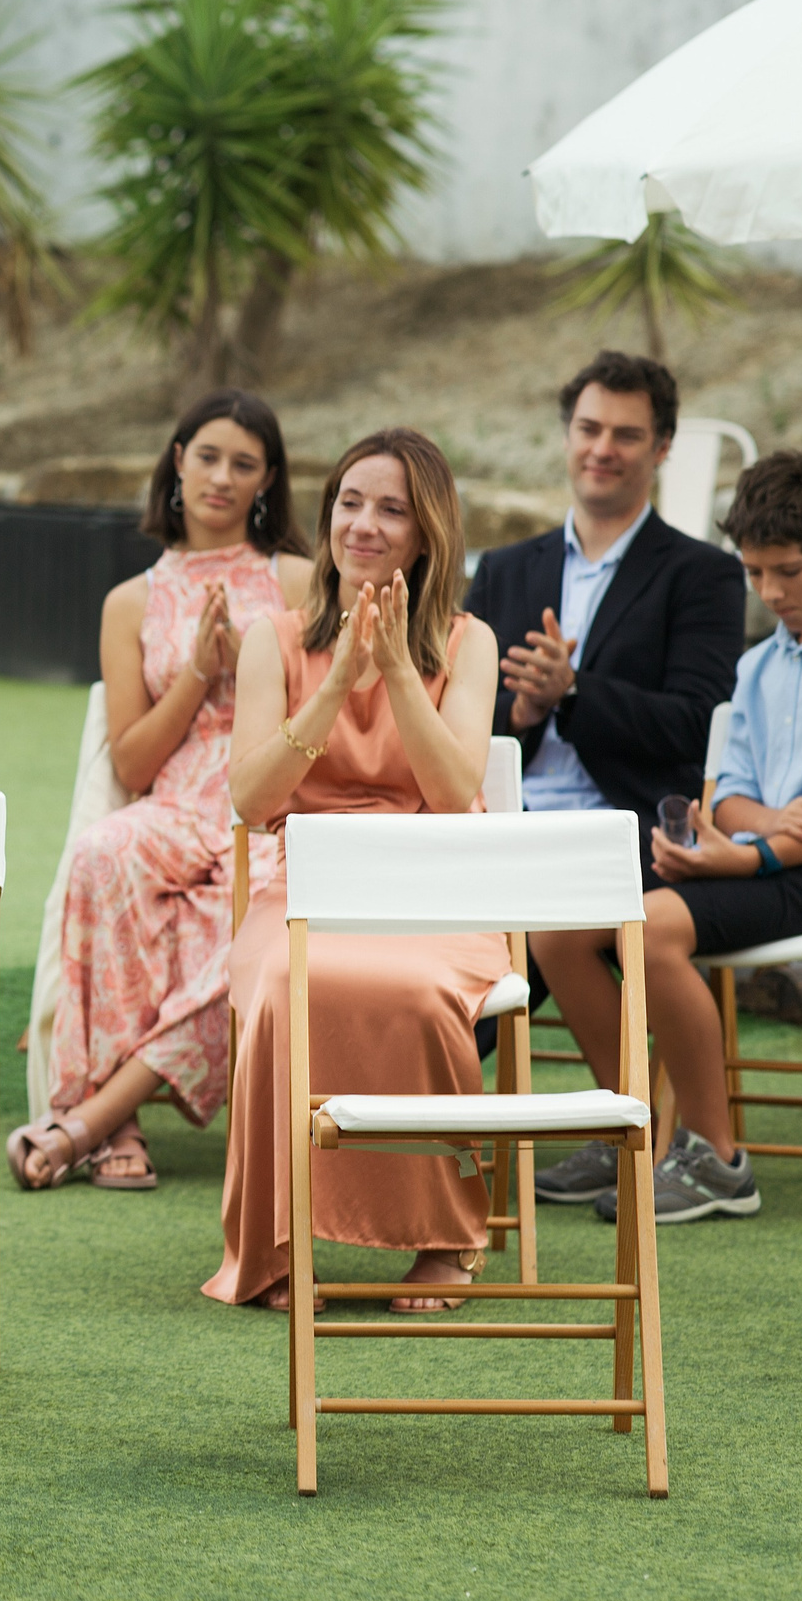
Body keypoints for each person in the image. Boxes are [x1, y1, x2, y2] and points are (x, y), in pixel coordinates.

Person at [205, 428, 508, 1314]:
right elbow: (251, 799)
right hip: (306, 882)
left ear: (426, 534)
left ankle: (444, 1235)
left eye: (391, 509)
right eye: (349, 502)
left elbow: (457, 798)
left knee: (413, 992)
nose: (364, 525)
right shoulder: (273, 639)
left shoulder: (470, 641)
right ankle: (272, 1242)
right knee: (278, 987)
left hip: (436, 882)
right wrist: (335, 681)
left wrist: (396, 674)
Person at [533, 453, 802, 1227]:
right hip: (771, 863)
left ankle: (715, 1159)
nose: (772, 592)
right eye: (755, 573)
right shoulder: (756, 665)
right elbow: (737, 794)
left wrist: (747, 849)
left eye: (788, 571)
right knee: (557, 934)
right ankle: (633, 1130)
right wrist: (762, 829)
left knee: (650, 928)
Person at [12, 389, 312, 1191]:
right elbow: (135, 765)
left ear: (268, 481)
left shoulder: (298, 582)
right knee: (101, 855)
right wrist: (198, 676)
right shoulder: (131, 601)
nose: (221, 476)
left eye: (243, 464)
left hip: (271, 806)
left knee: (260, 918)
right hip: (176, 804)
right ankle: (122, 1130)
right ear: (178, 461)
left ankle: (92, 1117)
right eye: (207, 456)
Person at [464, 351, 743, 854]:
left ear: (662, 447)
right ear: (567, 436)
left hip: (625, 830)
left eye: (626, 435)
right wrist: (521, 711)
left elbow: (698, 726)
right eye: (588, 429)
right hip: (499, 821)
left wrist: (572, 691)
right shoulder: (502, 569)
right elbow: (450, 710)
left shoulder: (704, 575)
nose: (602, 448)